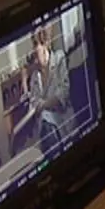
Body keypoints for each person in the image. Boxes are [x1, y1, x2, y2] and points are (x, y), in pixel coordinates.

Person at [26, 25, 72, 155]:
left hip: (63, 119)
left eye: (36, 44)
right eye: (33, 45)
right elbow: (33, 104)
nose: (34, 50)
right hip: (44, 129)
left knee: (46, 117)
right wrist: (42, 105)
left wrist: (43, 104)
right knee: (45, 121)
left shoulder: (59, 59)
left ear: (45, 44)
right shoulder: (35, 76)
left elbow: (63, 94)